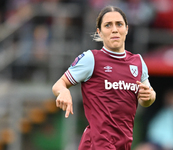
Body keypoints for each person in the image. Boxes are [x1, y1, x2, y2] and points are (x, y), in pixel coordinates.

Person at [52, 5, 156, 150]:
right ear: (99, 32)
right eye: (108, 25)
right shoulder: (91, 59)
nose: (114, 29)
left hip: (124, 144)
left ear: (126, 28)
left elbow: (147, 98)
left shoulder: (138, 62)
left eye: (119, 24)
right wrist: (63, 91)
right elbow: (59, 84)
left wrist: (149, 96)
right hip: (97, 144)